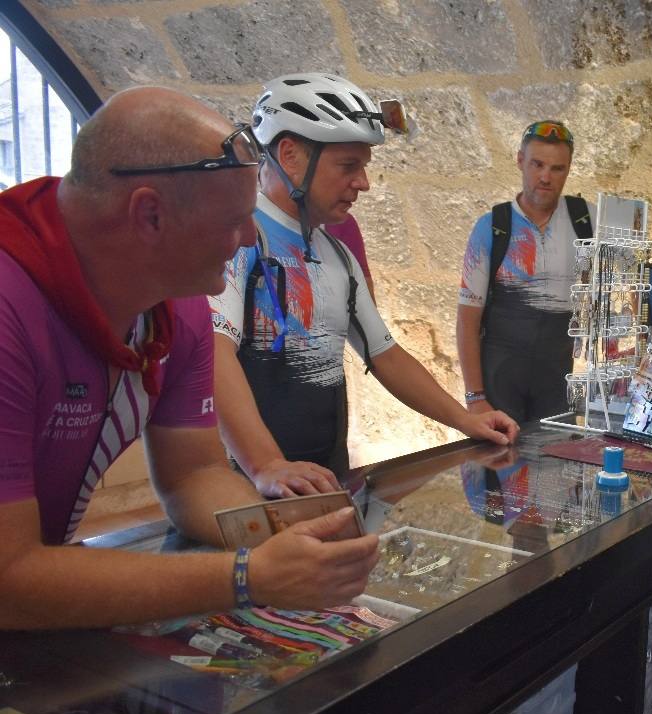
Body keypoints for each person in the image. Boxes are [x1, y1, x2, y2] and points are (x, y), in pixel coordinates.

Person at [0, 87, 380, 630]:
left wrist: (285, 538)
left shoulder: (177, 307)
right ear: (149, 214)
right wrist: (247, 576)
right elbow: (8, 580)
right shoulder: (9, 306)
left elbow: (194, 473)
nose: (248, 236)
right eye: (232, 220)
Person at [210, 73, 519, 498]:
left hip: (323, 482)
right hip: (248, 487)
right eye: (348, 166)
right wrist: (266, 464)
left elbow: (386, 354)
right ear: (290, 154)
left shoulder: (338, 255)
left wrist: (467, 419)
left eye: (363, 167)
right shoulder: (239, 238)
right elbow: (213, 352)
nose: (363, 183)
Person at [457, 120, 594, 423]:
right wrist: (475, 398)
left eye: (557, 168)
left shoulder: (587, 220)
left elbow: (622, 288)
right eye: (537, 164)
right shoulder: (492, 226)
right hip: (500, 377)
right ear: (520, 161)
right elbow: (467, 320)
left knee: (554, 465)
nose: (545, 177)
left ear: (569, 169)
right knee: (499, 467)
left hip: (557, 378)